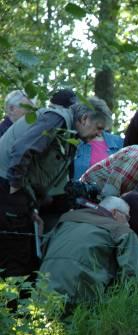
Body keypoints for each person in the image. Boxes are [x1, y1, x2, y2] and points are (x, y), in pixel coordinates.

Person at [0, 95, 112, 277]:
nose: (100, 134)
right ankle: (12, 304)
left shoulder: (69, 136)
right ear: (84, 119)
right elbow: (22, 150)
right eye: (99, 128)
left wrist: (32, 208)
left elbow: (41, 175)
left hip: (20, 194)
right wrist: (15, 192)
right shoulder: (56, 119)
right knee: (14, 258)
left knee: (27, 257)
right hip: (6, 187)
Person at [39, 196, 138, 304]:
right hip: (80, 301)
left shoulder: (66, 219)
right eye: (127, 218)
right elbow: (134, 275)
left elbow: (43, 247)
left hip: (43, 291)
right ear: (114, 213)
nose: (128, 224)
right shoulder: (121, 231)